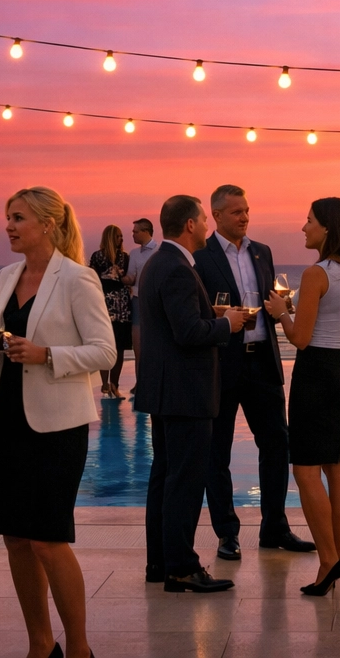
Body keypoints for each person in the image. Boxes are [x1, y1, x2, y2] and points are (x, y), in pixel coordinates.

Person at [0, 187, 117, 658]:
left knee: (47, 539)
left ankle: (79, 648)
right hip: (6, 421)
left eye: (18, 217)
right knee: (16, 539)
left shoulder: (78, 278)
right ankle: (40, 645)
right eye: (8, 217)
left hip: (56, 428)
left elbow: (105, 351)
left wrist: (47, 355)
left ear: (47, 224)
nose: (9, 226)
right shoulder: (5, 276)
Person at [134, 194, 248, 592]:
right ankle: (182, 567)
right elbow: (187, 333)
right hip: (186, 393)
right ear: (189, 225)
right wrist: (227, 324)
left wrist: (209, 317)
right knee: (184, 481)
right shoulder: (178, 269)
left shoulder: (156, 264)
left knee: (165, 477)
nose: (206, 226)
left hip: (166, 390)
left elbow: (171, 326)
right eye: (203, 219)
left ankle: (159, 562)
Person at [193, 185, 313, 561]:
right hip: (222, 362)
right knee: (217, 451)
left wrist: (280, 307)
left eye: (246, 210)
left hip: (262, 359)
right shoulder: (201, 256)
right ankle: (227, 533)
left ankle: (274, 527)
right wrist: (217, 316)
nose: (244, 217)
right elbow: (197, 312)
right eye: (236, 212)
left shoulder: (263, 252)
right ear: (216, 216)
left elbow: (269, 301)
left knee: (277, 444)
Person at [270, 197, 340, 595]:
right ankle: (337, 558)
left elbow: (300, 337)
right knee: (339, 466)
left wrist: (281, 311)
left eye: (309, 220)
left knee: (305, 469)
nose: (304, 227)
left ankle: (330, 560)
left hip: (316, 374)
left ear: (327, 227)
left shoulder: (316, 274)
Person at [90, 225, 131, 399]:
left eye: (121, 236)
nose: (121, 239)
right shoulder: (97, 256)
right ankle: (105, 384)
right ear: (109, 237)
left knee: (119, 347)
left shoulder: (125, 257)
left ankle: (114, 385)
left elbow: (127, 278)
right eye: (117, 236)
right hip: (103, 304)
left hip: (122, 306)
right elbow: (92, 279)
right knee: (104, 345)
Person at [125, 218, 158, 372]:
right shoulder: (134, 253)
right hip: (138, 300)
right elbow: (131, 277)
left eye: (136, 232)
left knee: (155, 344)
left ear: (146, 232)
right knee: (138, 345)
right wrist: (119, 277)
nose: (133, 234)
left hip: (156, 300)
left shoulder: (159, 251)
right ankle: (140, 381)